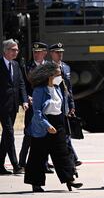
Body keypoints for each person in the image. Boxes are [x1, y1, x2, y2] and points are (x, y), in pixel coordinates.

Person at [24, 62, 83, 192]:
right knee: (38, 155)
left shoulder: (58, 88)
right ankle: (36, 183)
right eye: (58, 74)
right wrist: (47, 125)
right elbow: (37, 112)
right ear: (50, 75)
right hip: (43, 124)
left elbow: (61, 106)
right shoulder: (39, 90)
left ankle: (69, 180)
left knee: (62, 152)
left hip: (58, 122)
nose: (60, 76)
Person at [18, 42, 54, 174]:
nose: (36, 54)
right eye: (34, 52)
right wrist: (27, 97)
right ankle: (22, 162)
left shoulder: (50, 67)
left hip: (47, 106)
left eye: (39, 52)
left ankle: (44, 163)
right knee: (29, 134)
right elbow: (22, 85)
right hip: (33, 106)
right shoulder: (27, 67)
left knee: (46, 135)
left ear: (45, 53)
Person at [49, 43, 82, 167]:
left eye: (61, 52)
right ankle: (72, 158)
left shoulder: (66, 67)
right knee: (58, 133)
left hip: (65, 104)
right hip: (53, 104)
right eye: (57, 52)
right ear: (51, 53)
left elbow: (69, 88)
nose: (60, 54)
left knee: (65, 132)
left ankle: (72, 158)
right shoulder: (47, 68)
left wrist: (71, 104)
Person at [0, 39, 28, 175]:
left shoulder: (16, 65)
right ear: (5, 51)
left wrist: (24, 100)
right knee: (10, 133)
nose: (16, 52)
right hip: (2, 106)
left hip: (13, 105)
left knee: (6, 135)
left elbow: (21, 84)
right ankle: (16, 165)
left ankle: (0, 165)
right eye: (13, 49)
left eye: (17, 49)